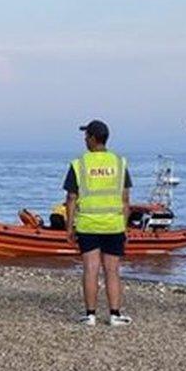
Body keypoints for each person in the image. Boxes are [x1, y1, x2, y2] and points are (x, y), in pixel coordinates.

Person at [64, 120, 133, 326]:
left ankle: (90, 315)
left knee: (90, 269)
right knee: (112, 270)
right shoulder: (119, 163)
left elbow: (71, 198)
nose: (85, 140)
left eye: (86, 136)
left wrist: (69, 227)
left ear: (93, 138)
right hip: (113, 224)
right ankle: (114, 314)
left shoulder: (80, 164)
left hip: (88, 224)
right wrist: (125, 226)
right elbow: (126, 199)